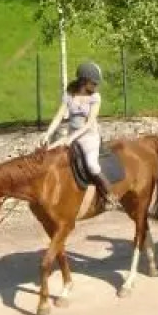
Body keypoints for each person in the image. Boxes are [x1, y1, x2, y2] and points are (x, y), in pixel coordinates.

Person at [39, 61, 121, 209]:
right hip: (70, 135)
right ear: (84, 81)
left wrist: (71, 138)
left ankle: (109, 196)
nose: (96, 85)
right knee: (49, 153)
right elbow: (59, 116)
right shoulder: (69, 94)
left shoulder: (95, 97)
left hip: (88, 136)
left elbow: (89, 123)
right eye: (94, 82)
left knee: (92, 165)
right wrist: (47, 133)